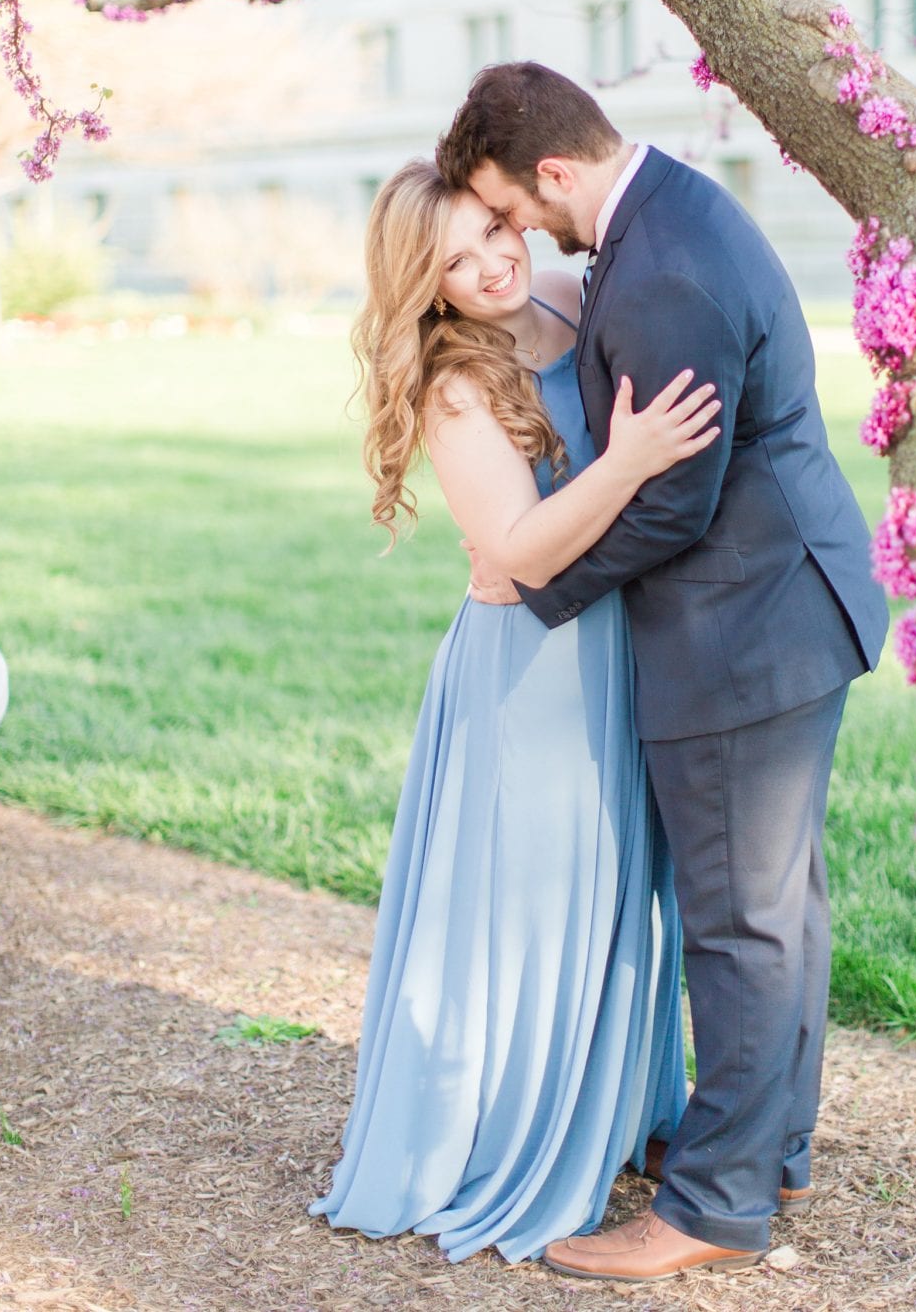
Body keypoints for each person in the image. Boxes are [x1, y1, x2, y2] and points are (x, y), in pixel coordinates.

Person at [436, 62, 890, 1285]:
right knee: (778, 906)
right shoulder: (668, 214)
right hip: (789, 605)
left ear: (555, 173)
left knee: (739, 922)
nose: (519, 234)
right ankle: (767, 1145)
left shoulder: (663, 268)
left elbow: (676, 504)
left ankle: (712, 1207)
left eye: (511, 208)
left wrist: (536, 584)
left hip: (744, 626)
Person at [309, 158, 721, 1264]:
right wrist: (630, 460)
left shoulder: (574, 302)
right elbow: (517, 551)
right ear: (425, 286)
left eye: (496, 231)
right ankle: (500, 1125)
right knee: (531, 900)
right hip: (531, 670)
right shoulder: (454, 382)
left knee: (612, 883)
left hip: (616, 651)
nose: (493, 264)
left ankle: (607, 1104)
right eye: (456, 260)